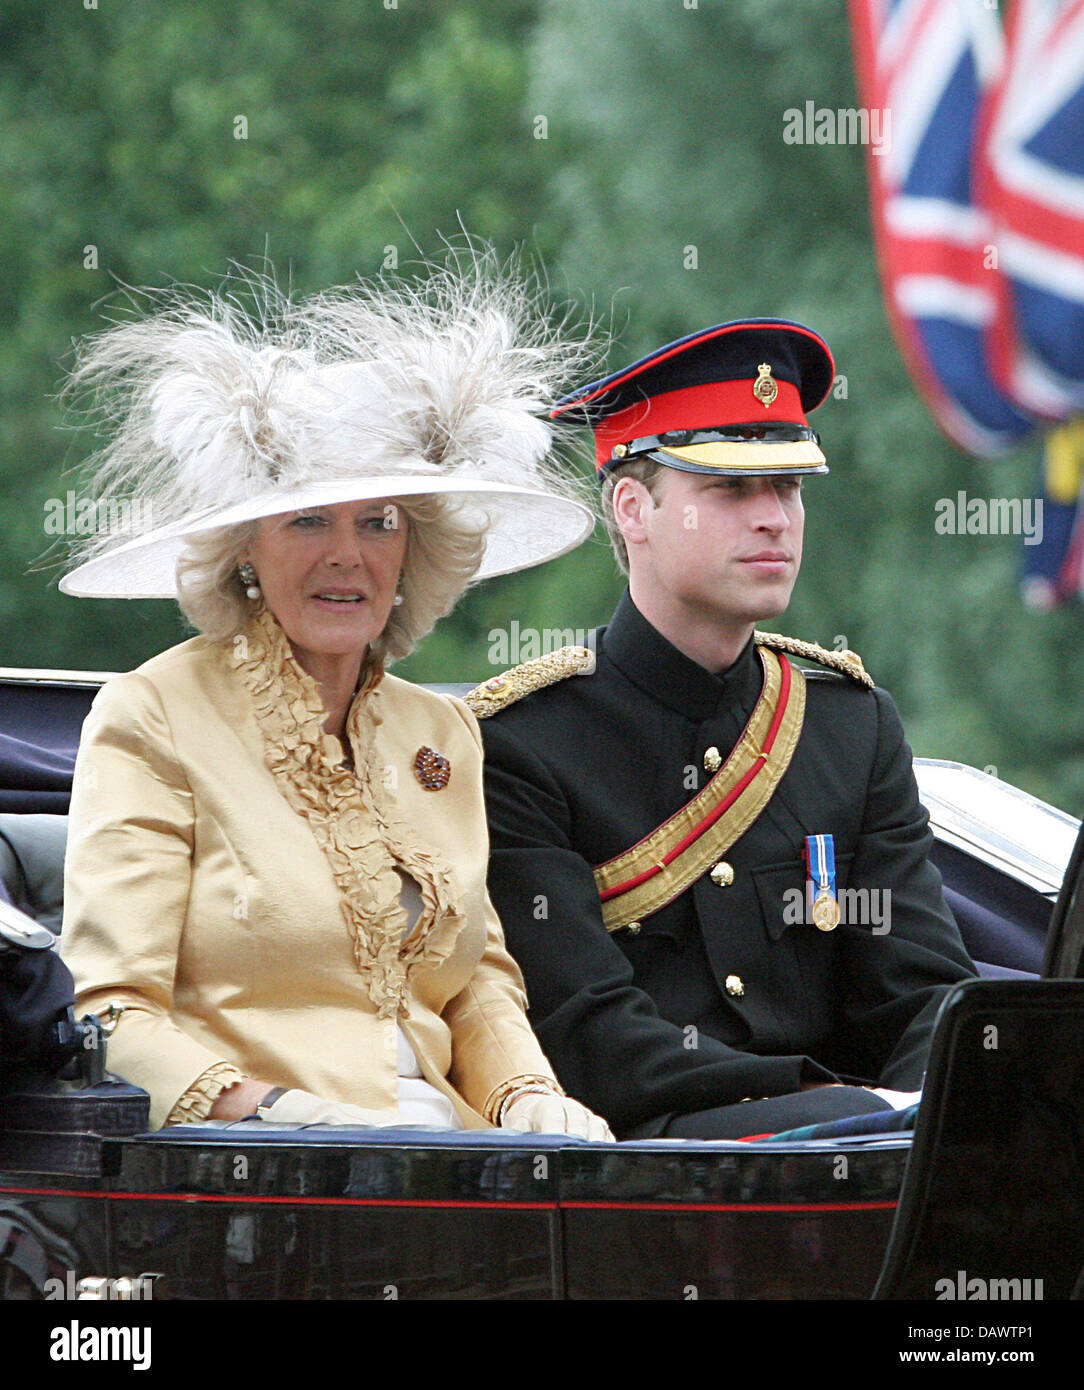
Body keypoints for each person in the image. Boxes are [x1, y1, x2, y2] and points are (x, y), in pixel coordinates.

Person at [58, 266, 611, 1139]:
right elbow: (110, 1016)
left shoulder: (442, 732)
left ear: (414, 553)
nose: (347, 556)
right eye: (308, 522)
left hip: (457, 1162)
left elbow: (477, 985)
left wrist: (528, 1097)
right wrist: (281, 1117)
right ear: (245, 551)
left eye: (379, 521)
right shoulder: (152, 715)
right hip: (258, 1177)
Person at [472, 318, 977, 1140]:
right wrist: (839, 1108)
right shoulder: (523, 743)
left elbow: (922, 994)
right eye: (732, 490)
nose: (774, 518)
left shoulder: (849, 724)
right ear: (634, 509)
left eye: (788, 486)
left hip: (872, 1154)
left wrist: (927, 1116)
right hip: (659, 1178)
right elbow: (592, 1038)